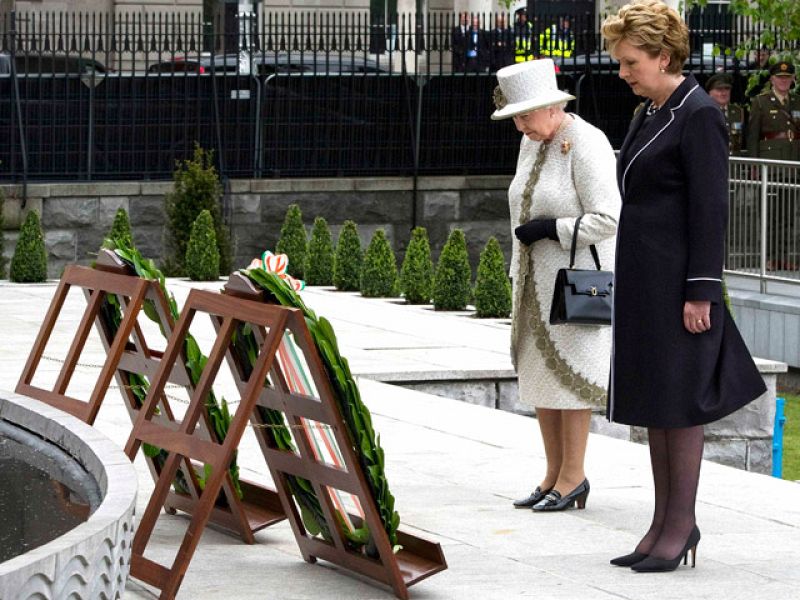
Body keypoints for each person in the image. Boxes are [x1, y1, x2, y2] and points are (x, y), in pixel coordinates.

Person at [601, 0, 766, 572]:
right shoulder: (652, 109)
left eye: (629, 62)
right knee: (655, 402)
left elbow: (710, 208)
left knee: (680, 401)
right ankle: (661, 523)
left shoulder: (698, 113)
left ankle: (680, 526)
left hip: (678, 283)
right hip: (645, 278)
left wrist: (700, 290)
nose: (622, 72)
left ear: (662, 56)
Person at [491, 59, 620, 513]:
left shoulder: (587, 142)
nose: (521, 125)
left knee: (570, 380)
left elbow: (609, 218)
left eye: (526, 115)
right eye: (516, 117)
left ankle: (574, 477)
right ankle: (551, 475)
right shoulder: (532, 142)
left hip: (575, 285)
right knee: (541, 380)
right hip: (531, 281)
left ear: (551, 106)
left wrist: (553, 228)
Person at [746, 60, 800, 270]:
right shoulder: (761, 102)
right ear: (772, 79)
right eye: (780, 77)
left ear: (793, 79)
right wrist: (754, 164)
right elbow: (752, 137)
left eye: (787, 78)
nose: (783, 81)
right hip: (771, 163)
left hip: (792, 162)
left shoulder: (796, 101)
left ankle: (784, 257)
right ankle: (770, 257)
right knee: (770, 214)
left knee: (788, 215)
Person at [706, 72, 746, 155]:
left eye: (727, 89)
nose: (724, 93)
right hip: (714, 160)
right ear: (710, 93)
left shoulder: (737, 111)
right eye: (719, 90)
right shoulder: (705, 112)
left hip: (735, 162)